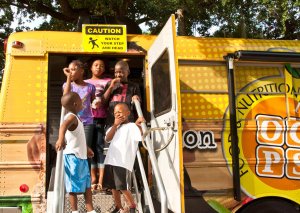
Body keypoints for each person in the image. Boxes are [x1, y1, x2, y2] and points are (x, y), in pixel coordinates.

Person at [55, 92, 96, 213]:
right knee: (73, 186)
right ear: (75, 103)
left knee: (87, 185)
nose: (83, 101)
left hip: (81, 156)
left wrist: (86, 148)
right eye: (80, 100)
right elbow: (63, 126)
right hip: (73, 157)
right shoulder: (71, 117)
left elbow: (77, 136)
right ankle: (74, 211)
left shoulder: (76, 117)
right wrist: (60, 138)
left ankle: (90, 210)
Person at [103, 103, 145, 213]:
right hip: (111, 160)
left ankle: (131, 204)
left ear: (128, 113)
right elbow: (107, 138)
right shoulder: (114, 127)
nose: (118, 115)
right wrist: (115, 125)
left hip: (123, 162)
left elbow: (139, 136)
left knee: (121, 186)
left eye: (120, 112)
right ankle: (118, 207)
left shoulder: (131, 126)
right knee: (113, 186)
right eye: (116, 113)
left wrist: (139, 125)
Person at [62, 59, 96, 168]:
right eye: (69, 70)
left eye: (73, 69)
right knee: (74, 148)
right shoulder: (68, 85)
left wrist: (97, 103)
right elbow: (65, 97)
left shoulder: (90, 87)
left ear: (81, 71)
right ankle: (75, 172)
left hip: (87, 122)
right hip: (73, 122)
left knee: (86, 149)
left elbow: (93, 101)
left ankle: (86, 177)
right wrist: (68, 77)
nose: (71, 72)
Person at [85, 58, 111, 193]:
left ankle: (101, 179)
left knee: (100, 147)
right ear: (90, 68)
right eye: (96, 65)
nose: (98, 67)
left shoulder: (108, 82)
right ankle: (93, 177)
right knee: (89, 148)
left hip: (102, 119)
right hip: (88, 119)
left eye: (101, 65)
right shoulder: (85, 83)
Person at [101, 60, 141, 128]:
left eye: (121, 72)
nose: (118, 75)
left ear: (128, 72)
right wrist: (111, 87)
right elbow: (103, 102)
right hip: (111, 121)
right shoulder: (110, 84)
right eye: (116, 72)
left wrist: (136, 97)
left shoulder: (134, 86)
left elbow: (138, 105)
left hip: (128, 121)